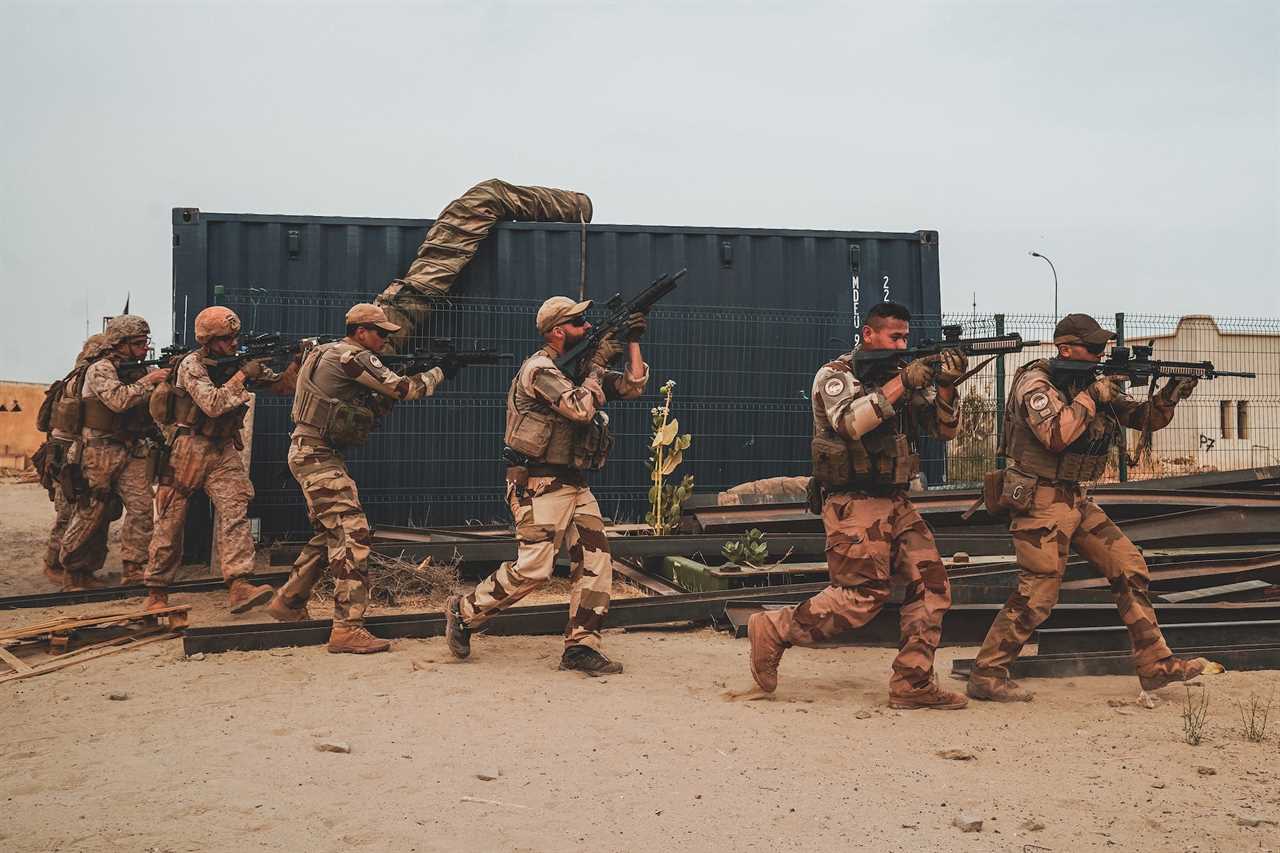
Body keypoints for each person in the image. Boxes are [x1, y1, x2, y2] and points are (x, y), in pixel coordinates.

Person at [966, 314, 1204, 701]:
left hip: (1074, 498)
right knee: (1037, 593)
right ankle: (987, 674)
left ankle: (1155, 665)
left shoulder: (1088, 382)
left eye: (1102, 349)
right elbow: (1055, 435)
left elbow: (1143, 419)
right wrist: (1094, 395)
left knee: (1129, 567)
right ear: (1065, 349)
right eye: (1092, 349)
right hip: (1039, 500)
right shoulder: (1036, 382)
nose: (1099, 355)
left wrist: (1172, 392)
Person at [747, 301, 970, 709]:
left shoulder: (897, 377)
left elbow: (944, 430)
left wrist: (946, 386)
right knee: (861, 594)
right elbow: (850, 423)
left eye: (906, 337)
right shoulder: (836, 375)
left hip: (895, 500)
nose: (902, 344)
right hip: (853, 502)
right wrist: (905, 379)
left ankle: (912, 682)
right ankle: (775, 628)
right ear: (869, 335)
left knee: (932, 583)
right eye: (894, 337)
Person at [444, 296, 648, 675]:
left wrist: (633, 339)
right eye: (579, 323)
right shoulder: (539, 370)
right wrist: (598, 364)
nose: (587, 327)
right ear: (557, 331)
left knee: (595, 561)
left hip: (574, 483)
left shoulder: (579, 368)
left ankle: (581, 646)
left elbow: (633, 386)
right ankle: (464, 610)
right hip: (538, 484)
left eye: (588, 322)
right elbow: (580, 409)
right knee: (535, 568)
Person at [265, 303, 454, 654]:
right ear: (360, 330)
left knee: (330, 532)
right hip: (317, 454)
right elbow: (403, 390)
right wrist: (440, 372)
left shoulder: (326, 351)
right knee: (353, 534)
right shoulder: (353, 355)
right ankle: (347, 628)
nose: (383, 340)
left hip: (311, 451)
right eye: (379, 333)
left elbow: (372, 397)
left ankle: (289, 602)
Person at [141, 306, 278, 614]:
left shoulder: (232, 362)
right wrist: (244, 374)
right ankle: (157, 590)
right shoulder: (192, 364)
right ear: (209, 340)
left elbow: (277, 383)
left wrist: (293, 363)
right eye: (227, 338)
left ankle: (239, 584)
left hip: (222, 448)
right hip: (188, 448)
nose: (234, 343)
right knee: (171, 517)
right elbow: (213, 404)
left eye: (235, 337)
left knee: (235, 508)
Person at [58, 315, 168, 589]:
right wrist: (150, 380)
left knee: (142, 508)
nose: (145, 349)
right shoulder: (100, 369)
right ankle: (74, 570)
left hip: (130, 449)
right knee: (91, 510)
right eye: (140, 343)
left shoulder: (137, 369)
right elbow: (118, 401)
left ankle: (134, 567)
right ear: (121, 344)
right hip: (99, 452)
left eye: (146, 343)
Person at [37, 332, 113, 587]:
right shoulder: (79, 382)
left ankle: (83, 569)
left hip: (82, 452)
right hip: (66, 456)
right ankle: (53, 564)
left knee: (92, 513)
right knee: (68, 513)